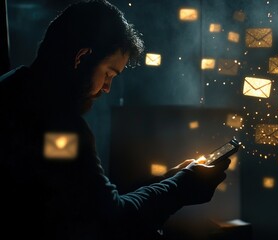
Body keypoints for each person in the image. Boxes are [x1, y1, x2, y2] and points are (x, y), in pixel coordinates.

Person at [0, 0, 231, 239]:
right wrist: (182, 187)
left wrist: (168, 179)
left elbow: (90, 198)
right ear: (82, 57)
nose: (108, 87)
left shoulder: (12, 88)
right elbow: (111, 222)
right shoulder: (60, 126)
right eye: (109, 73)